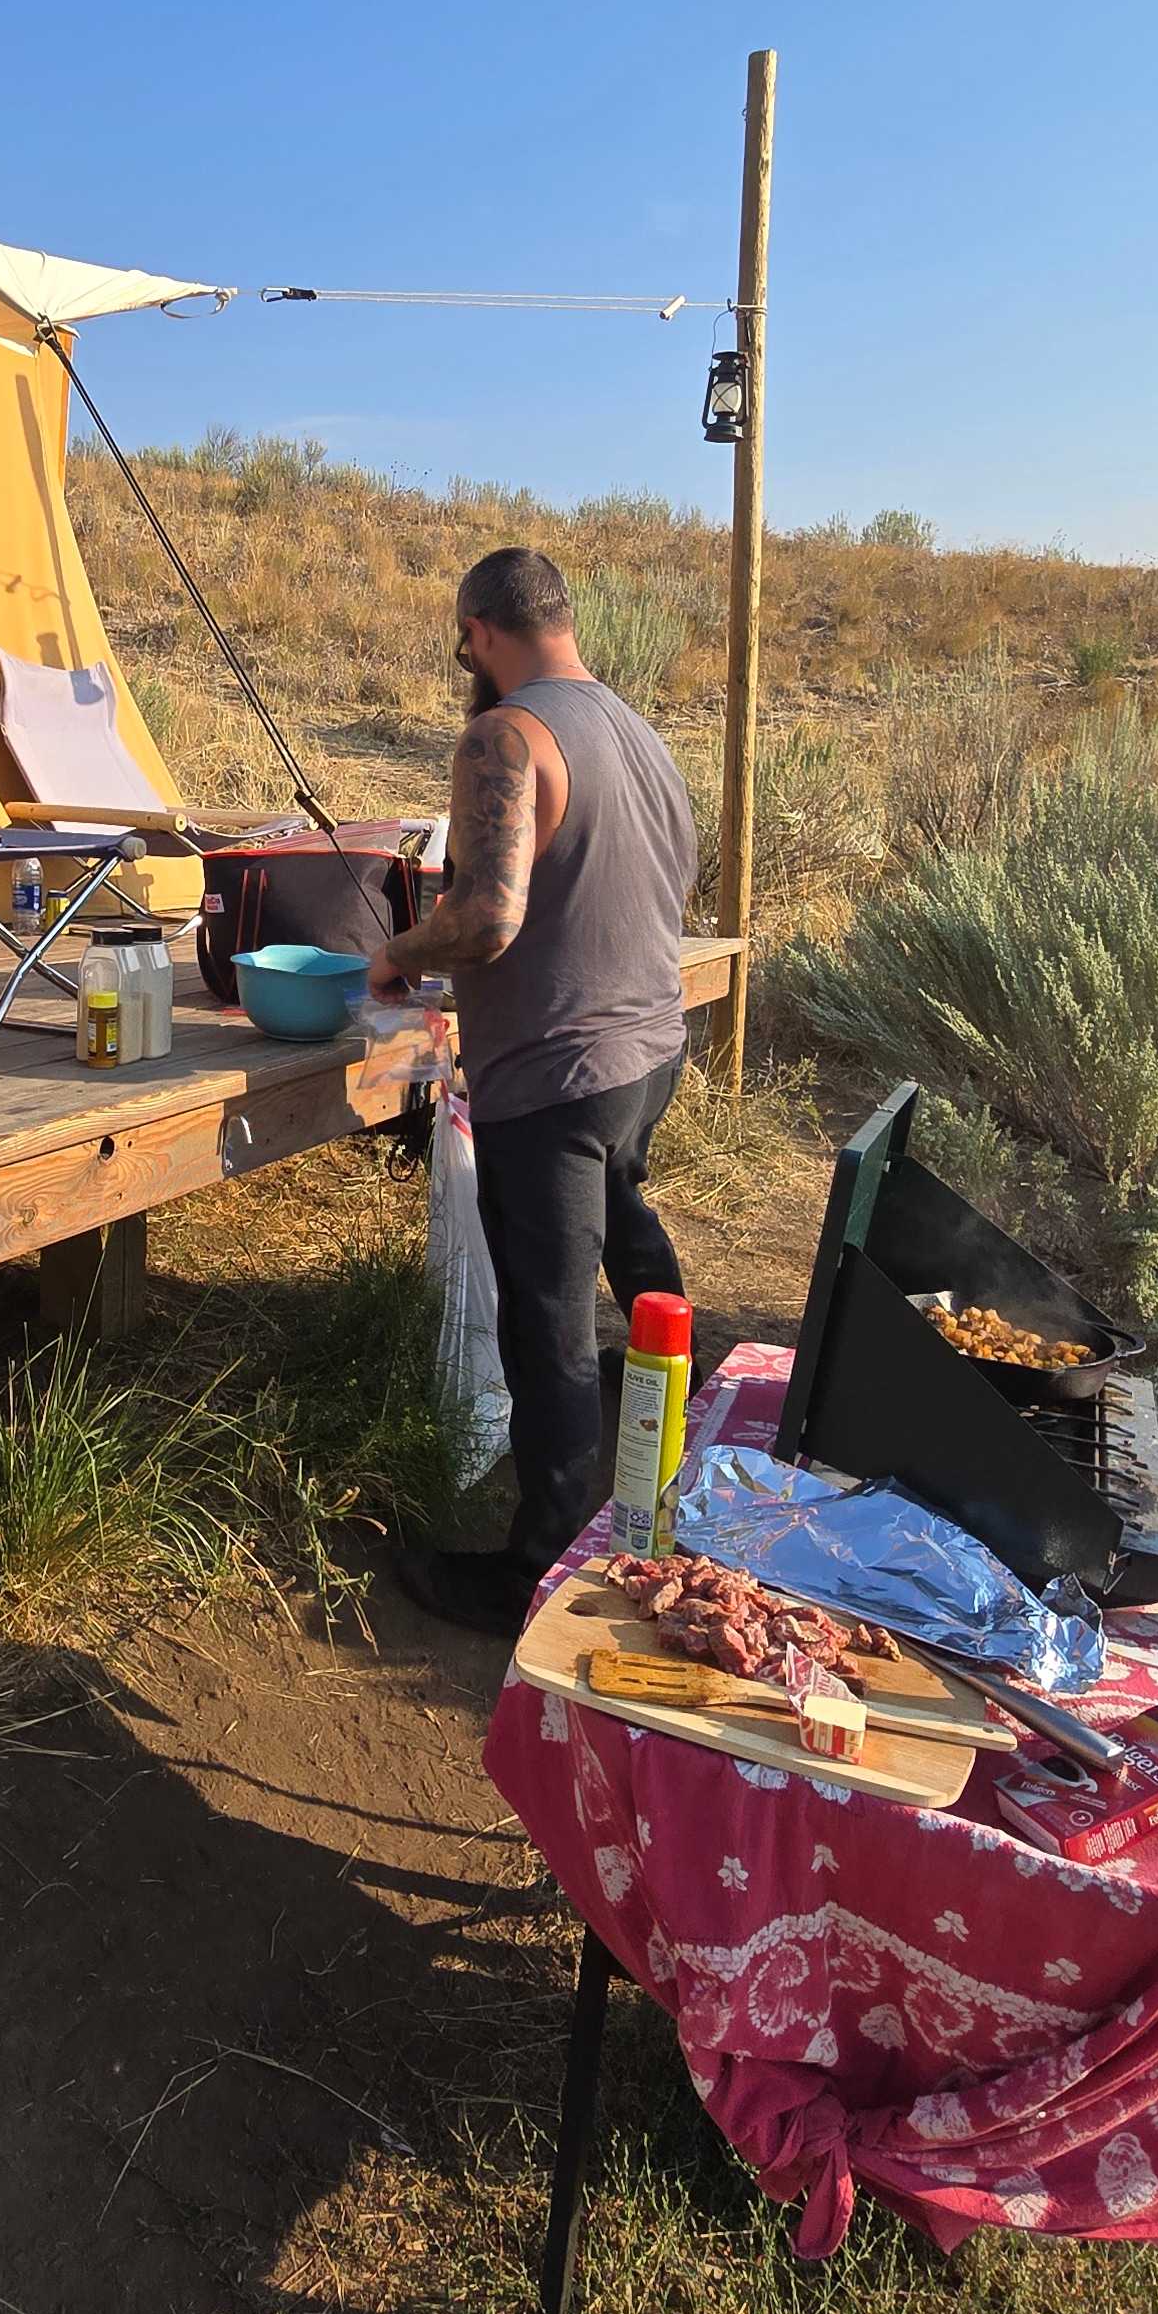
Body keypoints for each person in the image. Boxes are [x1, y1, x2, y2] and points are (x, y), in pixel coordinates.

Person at [368, 545, 699, 1632]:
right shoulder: (636, 730)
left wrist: (399, 955)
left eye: (463, 645)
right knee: (625, 1231)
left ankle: (538, 1568)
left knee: (547, 1319)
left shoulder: (504, 735)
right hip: (648, 1051)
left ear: (479, 633)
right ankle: (679, 1436)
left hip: (555, 1077)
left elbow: (488, 918)